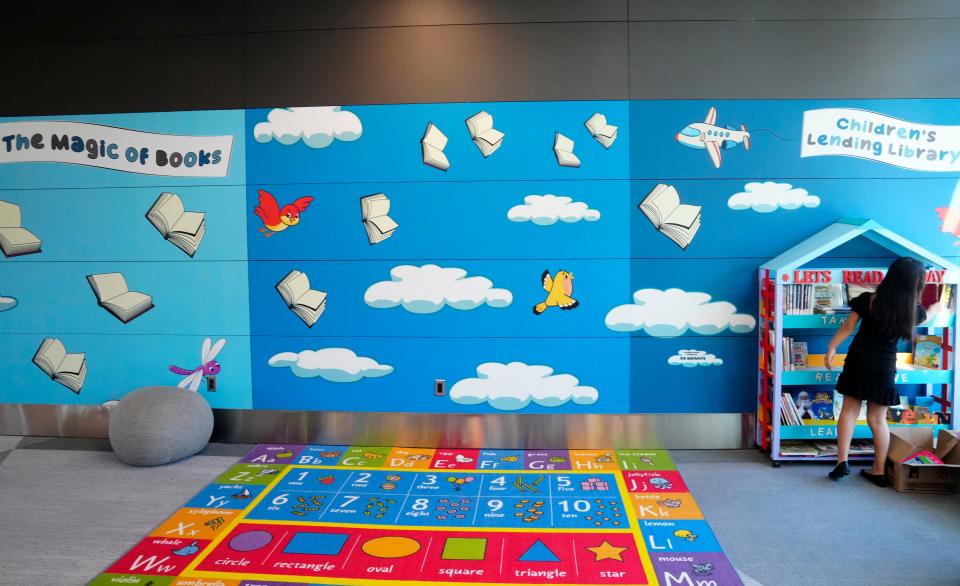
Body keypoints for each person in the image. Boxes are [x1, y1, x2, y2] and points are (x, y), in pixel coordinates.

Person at [824, 257, 932, 486]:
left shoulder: (868, 300)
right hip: (884, 367)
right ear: (916, 284)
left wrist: (832, 348)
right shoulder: (914, 311)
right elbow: (930, 314)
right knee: (878, 420)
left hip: (858, 360)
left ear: (891, 276)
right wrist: (938, 306)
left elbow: (848, 327)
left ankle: (841, 462)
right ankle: (878, 470)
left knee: (849, 412)